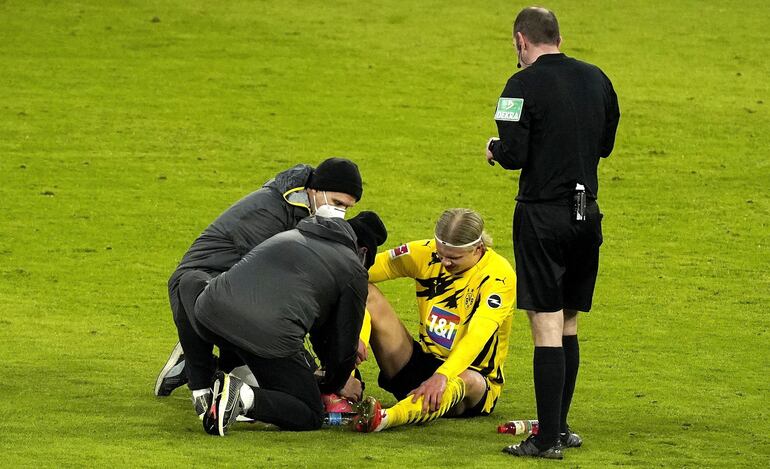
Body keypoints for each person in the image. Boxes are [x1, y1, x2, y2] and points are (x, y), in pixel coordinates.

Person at [484, 6, 620, 459]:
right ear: (557, 36)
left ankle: (545, 440)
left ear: (522, 40)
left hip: (542, 216)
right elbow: (605, 144)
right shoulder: (598, 78)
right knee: (569, 323)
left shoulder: (517, 86)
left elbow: (514, 152)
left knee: (545, 324)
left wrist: (494, 149)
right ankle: (559, 429)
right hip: (587, 216)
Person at [155, 157, 364, 417]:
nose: (340, 213)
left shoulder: (296, 210)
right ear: (314, 191)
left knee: (264, 378)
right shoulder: (270, 213)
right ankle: (198, 363)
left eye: (347, 208)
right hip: (204, 292)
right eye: (336, 203)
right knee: (286, 385)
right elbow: (266, 290)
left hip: (220, 291)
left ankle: (204, 364)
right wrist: (323, 367)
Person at [178, 212, 387, 435]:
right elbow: (344, 343)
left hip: (211, 317)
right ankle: (243, 396)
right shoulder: (353, 270)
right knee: (309, 411)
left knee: (191, 282)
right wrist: (336, 383)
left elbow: (320, 330)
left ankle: (202, 388)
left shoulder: (294, 234)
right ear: (363, 253)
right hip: (267, 339)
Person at [353, 208, 516, 433]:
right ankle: (342, 385)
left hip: (471, 381)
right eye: (442, 254)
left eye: (455, 258)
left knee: (470, 379)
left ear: (478, 248)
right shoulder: (427, 253)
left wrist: (442, 376)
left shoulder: (498, 276)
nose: (445, 263)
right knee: (362, 288)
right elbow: (355, 273)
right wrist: (358, 337)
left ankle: (386, 418)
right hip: (420, 363)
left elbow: (477, 335)